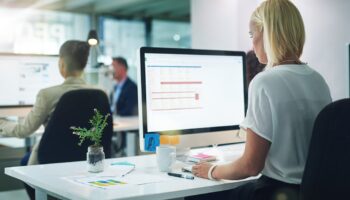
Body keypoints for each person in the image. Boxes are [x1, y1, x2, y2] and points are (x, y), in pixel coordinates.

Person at [187, 0, 332, 199]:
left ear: (267, 34)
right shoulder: (318, 80)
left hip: (275, 191)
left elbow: (250, 166)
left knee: (195, 196)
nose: (252, 43)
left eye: (252, 34)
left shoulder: (264, 81)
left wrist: (212, 170)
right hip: (313, 191)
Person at [0, 40, 94, 199]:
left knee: (25, 162)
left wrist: (1, 123)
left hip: (53, 159)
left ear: (61, 63)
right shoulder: (99, 93)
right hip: (86, 159)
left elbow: (24, 130)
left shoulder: (48, 94)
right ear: (84, 64)